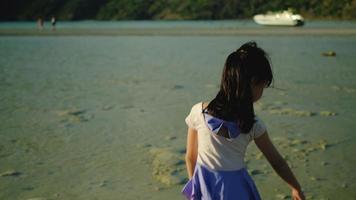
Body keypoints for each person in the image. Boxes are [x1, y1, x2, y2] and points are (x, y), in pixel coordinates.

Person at [182, 41, 305, 200]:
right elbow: (277, 162)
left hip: (207, 188)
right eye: (263, 85)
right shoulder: (253, 124)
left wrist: (195, 187)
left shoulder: (198, 111)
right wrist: (296, 188)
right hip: (237, 189)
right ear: (252, 83)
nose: (263, 91)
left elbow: (191, 156)